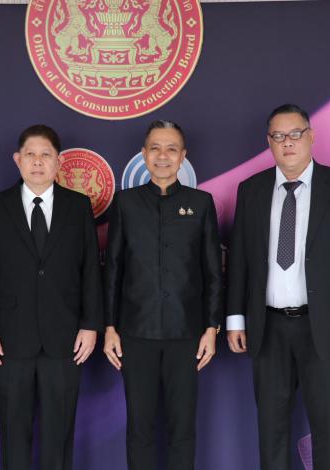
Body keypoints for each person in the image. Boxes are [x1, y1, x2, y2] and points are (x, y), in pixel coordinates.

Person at [226, 104, 330, 470]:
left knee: (328, 427)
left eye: (295, 134)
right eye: (278, 136)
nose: (287, 143)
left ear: (310, 136)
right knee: (271, 428)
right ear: (269, 143)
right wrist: (235, 319)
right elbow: (240, 258)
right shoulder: (251, 190)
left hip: (323, 326)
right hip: (268, 327)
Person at [0, 124, 102, 470]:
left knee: (59, 436)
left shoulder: (78, 206)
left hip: (66, 338)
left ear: (59, 162)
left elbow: (91, 269)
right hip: (9, 339)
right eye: (30, 155)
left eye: (46, 155)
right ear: (18, 160)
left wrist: (91, 324)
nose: (38, 162)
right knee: (13, 434)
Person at [103, 120, 223, 470]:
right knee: (139, 429)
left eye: (171, 149)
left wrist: (211, 328)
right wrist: (109, 327)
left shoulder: (201, 203)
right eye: (155, 148)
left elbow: (213, 272)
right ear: (144, 155)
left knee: (182, 429)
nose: (163, 156)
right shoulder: (125, 203)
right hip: (135, 333)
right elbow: (113, 269)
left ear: (183, 156)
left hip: (186, 334)